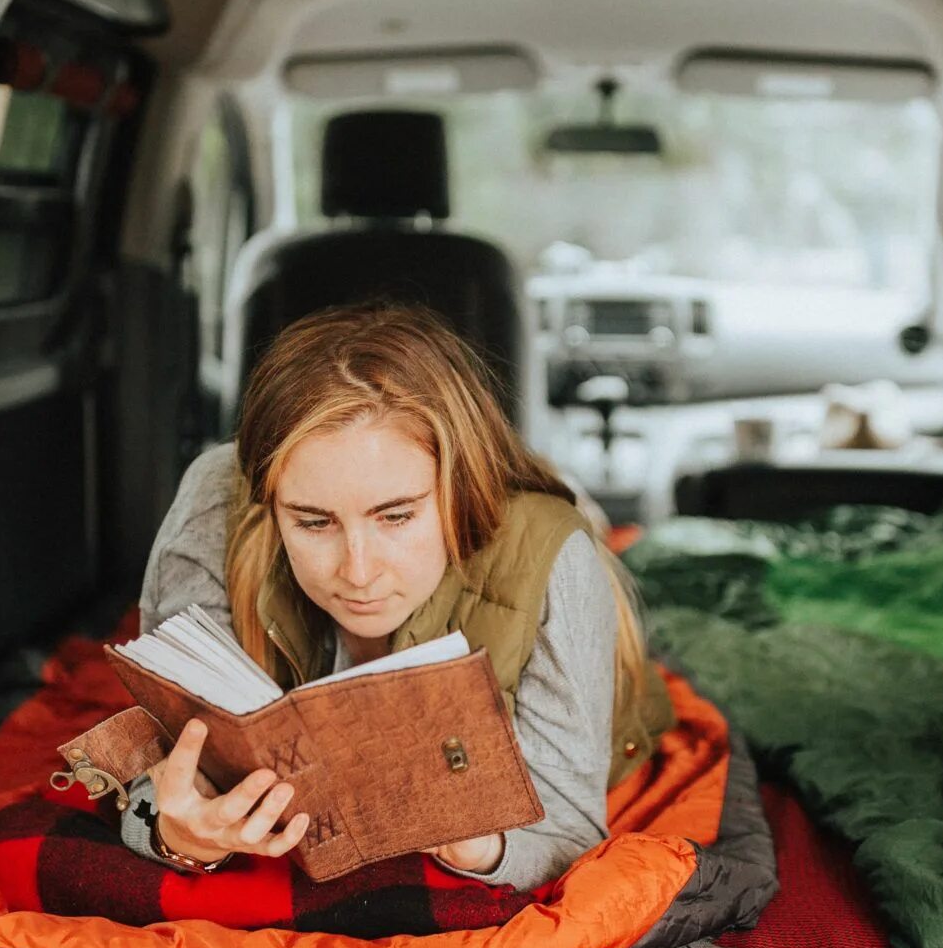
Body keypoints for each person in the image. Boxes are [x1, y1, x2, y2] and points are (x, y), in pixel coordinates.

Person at [123, 301, 673, 887]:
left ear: (457, 489)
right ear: (269, 501)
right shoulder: (217, 505)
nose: (358, 572)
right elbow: (152, 784)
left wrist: (481, 849)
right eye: (313, 523)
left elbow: (570, 830)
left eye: (396, 517)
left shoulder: (552, 558)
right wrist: (174, 837)